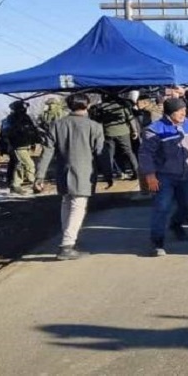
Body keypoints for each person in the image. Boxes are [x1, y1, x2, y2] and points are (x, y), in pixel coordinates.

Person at [34, 94, 113, 260]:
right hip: (84, 172)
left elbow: (47, 151)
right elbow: (101, 153)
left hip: (63, 171)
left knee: (67, 203)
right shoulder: (94, 126)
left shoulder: (57, 125)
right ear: (87, 105)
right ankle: (67, 245)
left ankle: (68, 240)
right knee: (78, 206)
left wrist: (39, 176)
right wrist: (108, 174)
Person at [139, 98, 188, 256]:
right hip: (164, 175)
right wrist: (150, 175)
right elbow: (146, 154)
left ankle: (176, 224)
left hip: (186, 173)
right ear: (169, 113)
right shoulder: (154, 130)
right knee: (162, 207)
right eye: (179, 111)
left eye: (184, 110)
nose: (183, 114)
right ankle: (157, 242)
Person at [91, 93, 140, 180]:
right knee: (128, 152)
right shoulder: (122, 105)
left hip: (108, 132)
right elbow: (130, 118)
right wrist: (134, 131)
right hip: (123, 132)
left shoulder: (101, 107)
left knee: (110, 154)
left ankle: (109, 175)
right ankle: (136, 172)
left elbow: (98, 119)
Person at [2, 101, 41, 195]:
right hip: (17, 145)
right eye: (22, 108)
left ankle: (16, 185)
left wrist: (34, 142)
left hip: (25, 145)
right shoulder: (11, 118)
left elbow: (32, 130)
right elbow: (5, 133)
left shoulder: (26, 117)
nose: (24, 109)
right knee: (29, 165)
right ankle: (33, 182)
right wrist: (9, 144)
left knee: (21, 164)